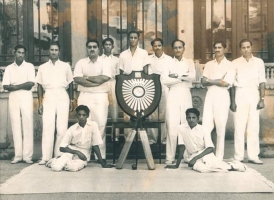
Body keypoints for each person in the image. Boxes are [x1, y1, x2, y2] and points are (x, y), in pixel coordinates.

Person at [165, 108, 246, 173]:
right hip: (191, 156)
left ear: (198, 118)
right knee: (202, 169)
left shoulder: (203, 129)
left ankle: (234, 166)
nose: (191, 120)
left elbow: (210, 148)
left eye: (193, 118)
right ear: (186, 118)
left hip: (204, 154)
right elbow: (181, 147)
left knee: (216, 165)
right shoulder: (181, 128)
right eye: (189, 117)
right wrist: (176, 165)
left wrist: (196, 158)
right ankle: (219, 166)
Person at [36, 42, 74, 165]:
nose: (53, 52)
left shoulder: (65, 66)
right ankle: (46, 157)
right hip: (49, 95)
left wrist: (72, 100)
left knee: (61, 128)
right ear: (49, 51)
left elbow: (71, 83)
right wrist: (40, 103)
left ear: (59, 51)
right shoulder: (42, 67)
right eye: (51, 50)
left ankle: (58, 155)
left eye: (56, 50)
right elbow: (39, 86)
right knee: (48, 126)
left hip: (62, 95)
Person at [73, 39, 111, 162]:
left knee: (100, 126)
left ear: (99, 49)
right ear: (87, 49)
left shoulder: (105, 63)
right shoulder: (81, 63)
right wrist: (96, 81)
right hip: (84, 96)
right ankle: (85, 156)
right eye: (90, 47)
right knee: (85, 125)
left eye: (95, 47)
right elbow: (78, 79)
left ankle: (101, 156)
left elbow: (104, 78)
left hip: (100, 96)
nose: (92, 49)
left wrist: (87, 78)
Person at [45, 105, 113, 172]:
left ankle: (60, 160)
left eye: (84, 115)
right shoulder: (72, 129)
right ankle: (57, 161)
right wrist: (76, 152)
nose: (81, 117)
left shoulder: (93, 125)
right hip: (70, 153)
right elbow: (62, 147)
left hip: (83, 157)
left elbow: (95, 145)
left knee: (72, 168)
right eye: (79, 115)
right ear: (76, 115)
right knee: (56, 168)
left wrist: (102, 163)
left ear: (88, 116)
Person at [230, 39, 266, 164]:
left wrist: (262, 99)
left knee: (253, 126)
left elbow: (262, 82)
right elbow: (232, 85)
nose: (246, 49)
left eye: (248, 47)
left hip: (253, 94)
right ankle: (238, 156)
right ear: (240, 49)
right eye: (243, 47)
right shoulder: (235, 63)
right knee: (239, 127)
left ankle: (253, 156)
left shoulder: (259, 62)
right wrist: (232, 102)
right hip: (240, 94)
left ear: (251, 48)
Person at [201, 41, 235, 160]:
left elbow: (226, 83)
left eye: (220, 47)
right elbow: (203, 82)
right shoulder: (209, 64)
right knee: (206, 125)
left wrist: (211, 81)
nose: (217, 49)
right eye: (215, 47)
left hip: (222, 96)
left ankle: (219, 157)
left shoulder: (230, 65)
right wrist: (218, 81)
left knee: (220, 126)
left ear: (225, 49)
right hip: (210, 94)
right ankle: (208, 155)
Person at [164, 39, 196, 164]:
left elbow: (192, 77)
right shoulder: (168, 62)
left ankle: (186, 156)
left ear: (184, 48)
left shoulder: (189, 62)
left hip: (185, 94)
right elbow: (165, 80)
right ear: (173, 49)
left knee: (186, 125)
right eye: (175, 47)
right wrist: (183, 77)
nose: (177, 50)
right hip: (173, 93)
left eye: (180, 47)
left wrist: (175, 76)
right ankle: (170, 157)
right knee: (172, 126)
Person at [3, 45, 35, 164]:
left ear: (24, 55)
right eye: (18, 52)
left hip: (26, 96)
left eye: (22, 53)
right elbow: (6, 86)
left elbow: (30, 84)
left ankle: (27, 156)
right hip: (14, 97)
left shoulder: (29, 66)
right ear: (14, 53)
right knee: (15, 123)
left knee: (27, 123)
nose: (20, 55)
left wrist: (15, 86)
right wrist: (20, 86)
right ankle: (18, 155)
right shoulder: (9, 68)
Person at [119, 30, 150, 136]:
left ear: (138, 39)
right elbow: (121, 72)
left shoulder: (143, 53)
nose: (133, 40)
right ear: (128, 39)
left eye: (135, 38)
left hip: (141, 85)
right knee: (127, 111)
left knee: (142, 110)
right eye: (131, 37)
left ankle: (142, 137)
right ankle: (129, 137)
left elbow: (146, 70)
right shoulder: (123, 54)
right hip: (127, 85)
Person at [147, 38, 171, 145]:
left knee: (164, 113)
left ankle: (163, 138)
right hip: (152, 88)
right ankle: (152, 138)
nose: (157, 48)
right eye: (155, 46)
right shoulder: (148, 59)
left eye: (159, 45)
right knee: (152, 114)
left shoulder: (169, 59)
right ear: (152, 47)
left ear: (162, 46)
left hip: (165, 88)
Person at [100, 38, 120, 142]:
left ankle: (115, 136)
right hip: (102, 84)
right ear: (103, 46)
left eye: (109, 44)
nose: (107, 46)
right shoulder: (99, 59)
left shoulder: (116, 60)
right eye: (106, 44)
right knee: (102, 109)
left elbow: (117, 75)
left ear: (112, 46)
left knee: (114, 109)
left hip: (113, 83)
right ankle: (101, 137)